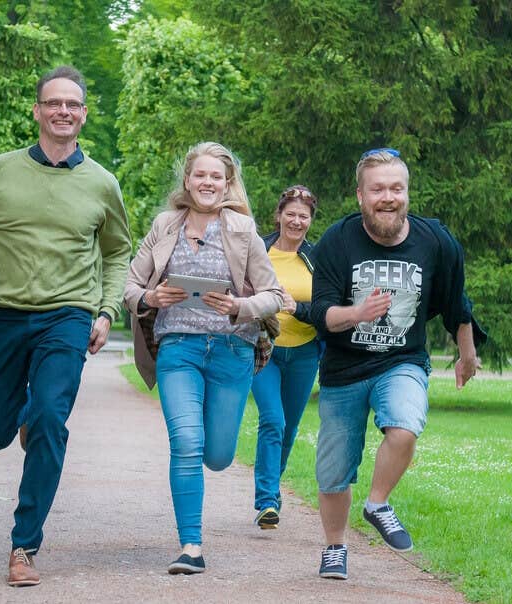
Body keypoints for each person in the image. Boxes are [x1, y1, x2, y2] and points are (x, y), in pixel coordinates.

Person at [0, 65, 131, 588]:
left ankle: (24, 546)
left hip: (67, 315)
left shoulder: (102, 182)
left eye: (73, 105)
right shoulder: (2, 170)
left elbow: (118, 252)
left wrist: (105, 310)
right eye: (53, 103)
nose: (63, 112)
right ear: (37, 111)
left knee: (52, 420)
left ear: (83, 114)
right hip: (4, 314)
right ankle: (22, 414)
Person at [308, 148, 485, 580]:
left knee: (405, 426)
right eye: (378, 189)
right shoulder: (337, 240)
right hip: (344, 368)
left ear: (407, 192)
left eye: (396, 188)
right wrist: (356, 314)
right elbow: (321, 314)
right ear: (360, 195)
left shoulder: (436, 241)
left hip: (402, 360)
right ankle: (335, 548)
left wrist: (467, 352)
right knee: (334, 471)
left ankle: (378, 503)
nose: (388, 197)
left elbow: (455, 301)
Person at [124, 141, 284, 575]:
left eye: (217, 176)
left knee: (216, 454)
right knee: (187, 443)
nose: (207, 182)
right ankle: (190, 546)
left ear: (227, 183)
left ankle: (196, 527)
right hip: (178, 347)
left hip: (233, 349)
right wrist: (151, 296)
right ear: (187, 180)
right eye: (200, 175)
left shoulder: (242, 229)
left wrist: (237, 306)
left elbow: (275, 295)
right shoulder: (164, 225)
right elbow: (129, 285)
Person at [249, 185, 321, 530]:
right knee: (272, 420)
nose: (296, 221)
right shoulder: (258, 250)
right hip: (265, 349)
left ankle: (271, 491)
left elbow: (326, 306)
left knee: (289, 428)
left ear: (310, 221)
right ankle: (265, 499)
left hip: (305, 352)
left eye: (303, 216)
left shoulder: (317, 258)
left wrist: (300, 308)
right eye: (290, 214)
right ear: (278, 216)